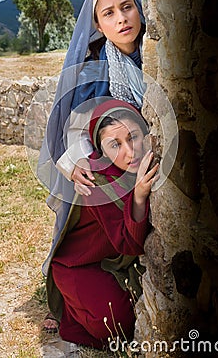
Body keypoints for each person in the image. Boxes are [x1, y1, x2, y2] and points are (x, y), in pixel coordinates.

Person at [38, 0, 146, 332]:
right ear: (98, 26)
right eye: (109, 13)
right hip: (111, 173)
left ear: (140, 9)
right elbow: (73, 126)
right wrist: (79, 160)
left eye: (127, 7)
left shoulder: (159, 55)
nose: (122, 19)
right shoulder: (91, 71)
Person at [43, 99, 159, 350]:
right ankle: (72, 308)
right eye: (114, 145)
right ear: (101, 151)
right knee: (118, 326)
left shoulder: (135, 166)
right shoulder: (95, 183)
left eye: (134, 137)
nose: (130, 152)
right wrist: (138, 196)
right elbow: (130, 244)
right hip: (78, 265)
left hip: (111, 260)